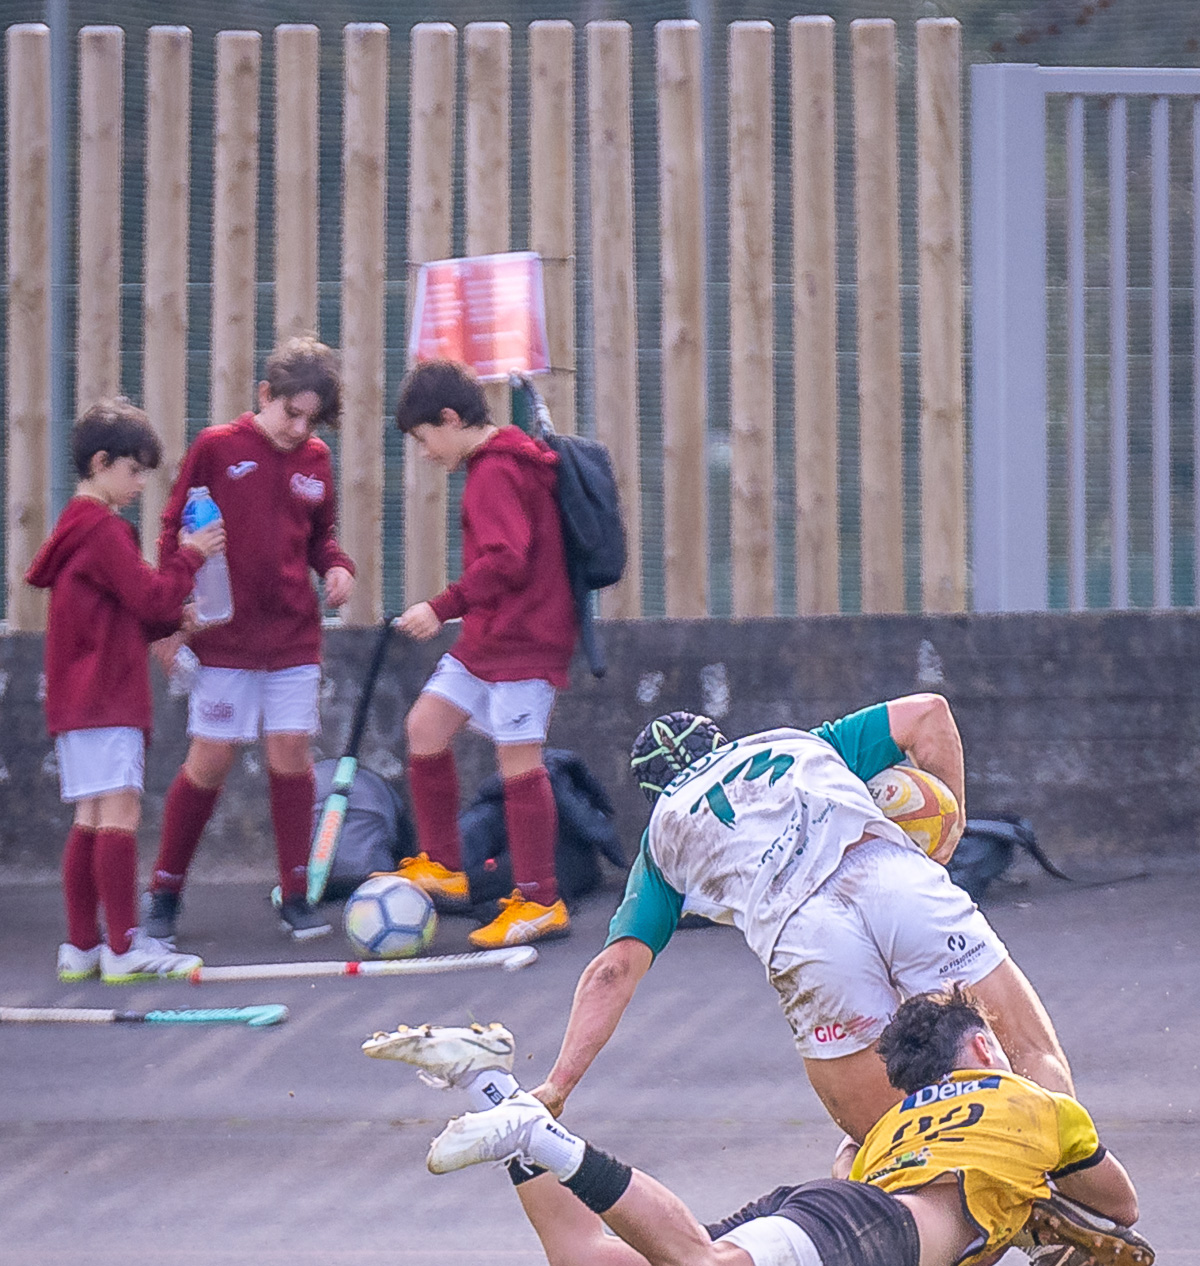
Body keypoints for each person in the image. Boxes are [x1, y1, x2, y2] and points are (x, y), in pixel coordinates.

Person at [362, 988, 1153, 1266]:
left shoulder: (887, 1129)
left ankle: (488, 1084)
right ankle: (538, 1136)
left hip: (830, 1206)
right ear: (982, 1047)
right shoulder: (1038, 1105)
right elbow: (1120, 1206)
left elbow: (851, 1173)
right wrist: (1039, 1204)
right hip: (876, 1231)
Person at [530, 698, 1074, 1145]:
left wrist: (558, 1084)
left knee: (888, 1137)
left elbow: (614, 971)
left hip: (806, 937)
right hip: (895, 880)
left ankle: (962, 1232)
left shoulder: (665, 830)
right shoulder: (799, 743)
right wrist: (948, 826)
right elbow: (929, 713)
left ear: (652, 795)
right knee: (1028, 1054)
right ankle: (1074, 1194)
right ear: (724, 742)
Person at [144, 337, 356, 941]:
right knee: (210, 758)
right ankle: (164, 892)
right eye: (291, 412)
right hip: (223, 640)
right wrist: (168, 617)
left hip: (293, 638)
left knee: (291, 754)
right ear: (265, 395)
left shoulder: (316, 459)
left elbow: (321, 538)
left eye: (310, 420)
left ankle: (296, 892)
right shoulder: (217, 448)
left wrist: (337, 567)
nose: (299, 428)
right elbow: (172, 529)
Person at [25, 400, 224, 981]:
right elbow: (152, 597)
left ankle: (83, 945)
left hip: (76, 699)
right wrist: (192, 557)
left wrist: (174, 618)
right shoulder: (102, 529)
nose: (140, 484)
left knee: (89, 815)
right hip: (107, 696)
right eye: (134, 471)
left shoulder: (74, 530)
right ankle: (123, 947)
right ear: (101, 462)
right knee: (120, 813)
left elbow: (128, 611)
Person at [390, 360, 577, 949]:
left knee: (519, 763)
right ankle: (443, 866)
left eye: (425, 439)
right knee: (426, 727)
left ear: (449, 420)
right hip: (490, 639)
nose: (425, 453)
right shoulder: (499, 464)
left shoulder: (495, 471)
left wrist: (440, 606)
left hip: (525, 641)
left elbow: (507, 560)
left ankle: (541, 900)